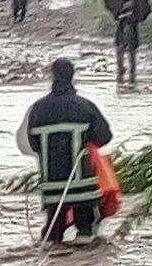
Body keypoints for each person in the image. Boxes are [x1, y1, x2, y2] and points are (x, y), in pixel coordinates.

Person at [16, 59, 113, 247]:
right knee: (87, 234)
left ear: (52, 77)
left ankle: (54, 262)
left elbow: (32, 145)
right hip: (83, 188)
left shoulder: (38, 109)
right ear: (72, 77)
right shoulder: (86, 107)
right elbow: (105, 136)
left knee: (53, 236)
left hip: (52, 188)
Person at [116, 0, 141, 84]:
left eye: (130, 3)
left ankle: (132, 74)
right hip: (121, 37)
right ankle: (120, 72)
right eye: (127, 3)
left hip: (132, 37)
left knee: (132, 57)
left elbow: (136, 22)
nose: (128, 4)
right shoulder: (120, 14)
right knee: (120, 55)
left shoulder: (135, 15)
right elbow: (118, 22)